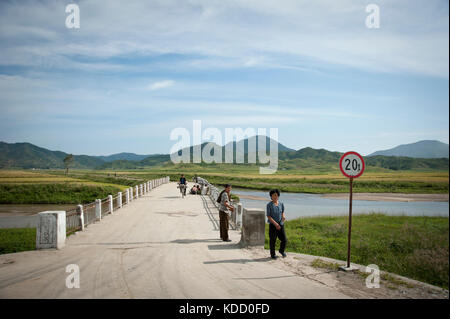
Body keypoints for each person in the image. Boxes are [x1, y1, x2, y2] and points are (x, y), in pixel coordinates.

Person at [266, 189, 287, 259]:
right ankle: (273, 254)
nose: (275, 196)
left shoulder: (281, 204)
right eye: (273, 195)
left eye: (276, 195)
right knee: (273, 240)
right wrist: (275, 224)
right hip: (273, 225)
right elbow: (269, 216)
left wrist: (283, 216)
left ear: (278, 196)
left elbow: (282, 211)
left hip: (281, 223)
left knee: (284, 239)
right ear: (271, 196)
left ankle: (281, 251)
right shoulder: (269, 205)